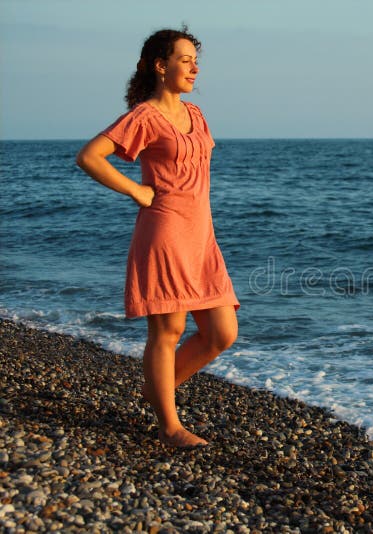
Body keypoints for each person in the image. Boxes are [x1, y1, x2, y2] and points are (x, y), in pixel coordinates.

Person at [76, 27, 239, 449]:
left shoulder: (197, 115)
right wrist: (136, 189)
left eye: (194, 60)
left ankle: (156, 391)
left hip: (202, 234)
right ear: (159, 65)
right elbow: (90, 156)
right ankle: (169, 427)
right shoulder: (144, 116)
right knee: (168, 330)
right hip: (164, 230)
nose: (193, 67)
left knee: (221, 333)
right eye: (184, 59)